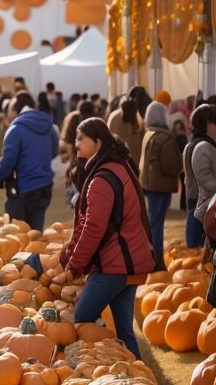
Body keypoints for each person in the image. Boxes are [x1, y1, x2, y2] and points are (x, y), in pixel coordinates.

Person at [56, 117, 155, 357]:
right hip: (129, 261)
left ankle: (105, 359)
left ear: (98, 142)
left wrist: (74, 266)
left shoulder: (101, 178)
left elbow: (92, 228)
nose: (76, 143)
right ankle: (135, 371)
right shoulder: (117, 166)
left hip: (114, 263)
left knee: (82, 318)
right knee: (124, 330)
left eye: (81, 138)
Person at [0, 91, 59, 231]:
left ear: (15, 108)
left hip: (23, 190)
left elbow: (8, 162)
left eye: (10, 109)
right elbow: (53, 152)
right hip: (45, 187)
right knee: (36, 234)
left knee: (19, 236)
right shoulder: (49, 127)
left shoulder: (16, 129)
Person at [139, 101, 183, 271]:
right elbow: (172, 166)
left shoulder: (148, 134)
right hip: (161, 186)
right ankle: (156, 262)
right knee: (156, 225)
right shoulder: (166, 138)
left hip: (149, 185)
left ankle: (149, 259)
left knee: (152, 223)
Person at [184, 103, 216, 248]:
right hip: (203, 211)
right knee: (201, 253)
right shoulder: (204, 146)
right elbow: (207, 185)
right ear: (208, 124)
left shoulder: (195, 144)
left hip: (198, 207)